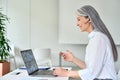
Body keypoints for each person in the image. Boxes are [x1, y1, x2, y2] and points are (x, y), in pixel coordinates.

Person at [53, 5, 118, 80]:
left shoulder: (98, 39)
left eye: (79, 19)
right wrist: (73, 59)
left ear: (89, 19)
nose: (77, 24)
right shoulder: (97, 38)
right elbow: (92, 68)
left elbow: (92, 73)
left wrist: (66, 73)